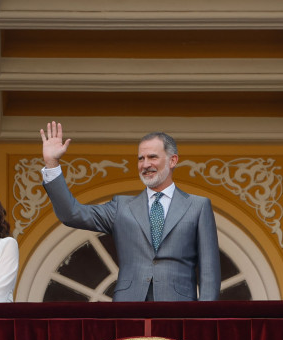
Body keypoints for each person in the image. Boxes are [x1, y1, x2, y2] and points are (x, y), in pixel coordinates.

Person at [39, 121, 220, 301]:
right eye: (141, 159)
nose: (145, 164)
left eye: (152, 157)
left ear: (173, 160)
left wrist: (205, 318)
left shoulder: (198, 206)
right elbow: (72, 214)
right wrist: (52, 163)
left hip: (179, 309)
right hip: (129, 307)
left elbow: (209, 270)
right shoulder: (122, 207)